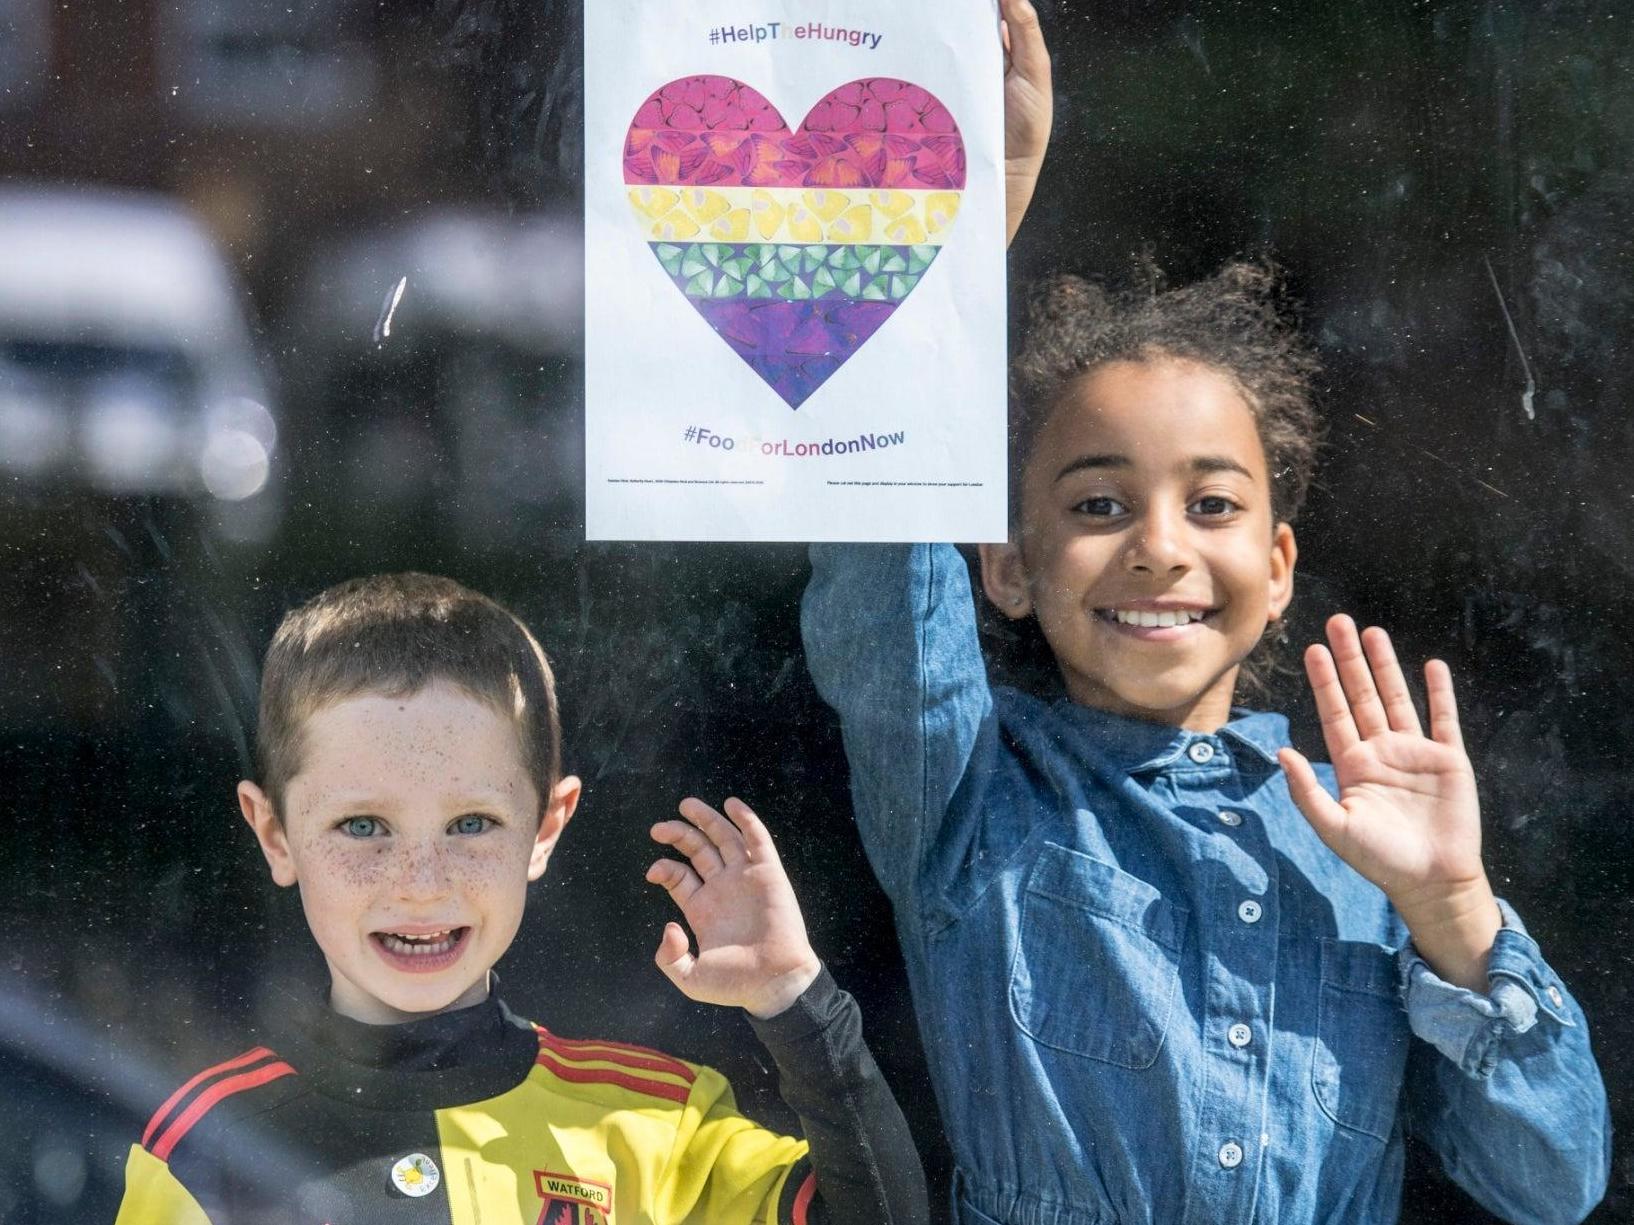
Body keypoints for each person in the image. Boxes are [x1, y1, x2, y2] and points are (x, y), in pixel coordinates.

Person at [800, 12, 1612, 1218]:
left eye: (1212, 503)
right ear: (1006, 566)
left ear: (1276, 568)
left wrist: (1451, 910)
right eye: (1097, 503)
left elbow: (1550, 1183)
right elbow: (879, 553)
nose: (1159, 545)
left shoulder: (1365, 841)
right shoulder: (971, 795)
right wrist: (962, 241)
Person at [115, 573, 927, 1224]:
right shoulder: (204, 1147)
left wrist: (795, 999)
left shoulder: (652, 1123)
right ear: (274, 833)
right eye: (363, 825)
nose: (421, 879)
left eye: (471, 823)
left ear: (545, 827)